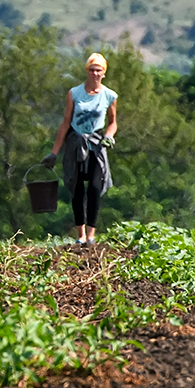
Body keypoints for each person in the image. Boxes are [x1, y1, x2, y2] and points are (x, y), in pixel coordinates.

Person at [51, 52, 120, 247]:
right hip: (76, 143)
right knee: (78, 189)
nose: (95, 73)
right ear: (87, 71)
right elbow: (65, 122)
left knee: (95, 188)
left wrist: (109, 136)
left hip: (97, 145)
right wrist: (54, 152)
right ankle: (80, 234)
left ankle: (91, 234)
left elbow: (113, 123)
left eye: (98, 70)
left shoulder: (109, 95)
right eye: (92, 70)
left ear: (103, 73)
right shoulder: (74, 93)